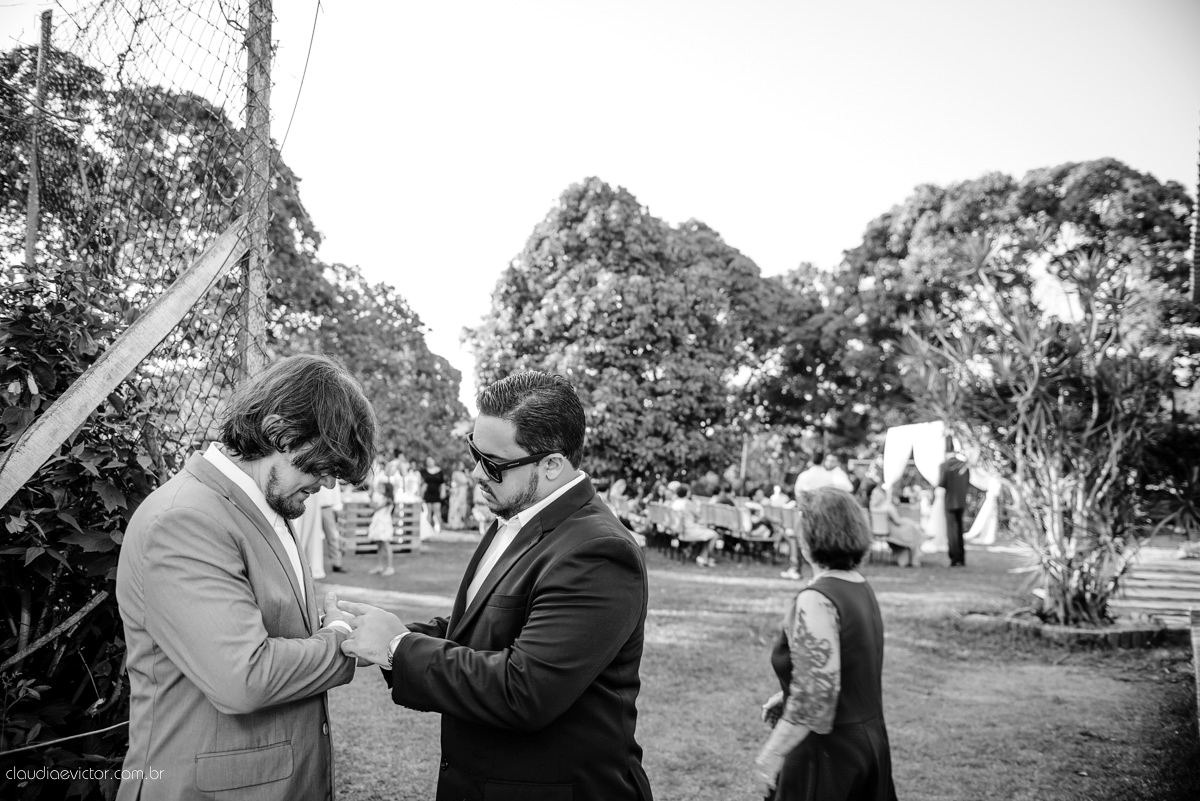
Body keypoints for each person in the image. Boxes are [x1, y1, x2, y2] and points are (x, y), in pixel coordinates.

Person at [339, 371, 654, 801]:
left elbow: (525, 691)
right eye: (474, 452)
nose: (475, 473)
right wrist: (383, 633)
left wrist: (398, 648)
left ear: (551, 464)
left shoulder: (598, 551)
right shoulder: (518, 513)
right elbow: (486, 624)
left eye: (493, 463)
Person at [114, 354, 377, 800]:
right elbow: (244, 679)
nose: (328, 484)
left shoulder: (264, 503)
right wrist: (341, 639)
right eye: (321, 466)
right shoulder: (185, 520)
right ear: (278, 432)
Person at [754, 486, 898, 801]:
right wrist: (790, 690)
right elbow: (846, 662)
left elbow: (816, 698)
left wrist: (771, 754)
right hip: (868, 740)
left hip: (829, 752)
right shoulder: (859, 586)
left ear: (810, 538)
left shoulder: (816, 599)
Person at [869, 484, 925, 567]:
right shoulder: (888, 507)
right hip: (891, 532)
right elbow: (898, 522)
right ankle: (914, 556)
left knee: (910, 526)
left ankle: (909, 556)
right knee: (911, 527)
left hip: (877, 532)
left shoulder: (872, 508)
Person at [671, 483, 720, 567]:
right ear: (687, 493)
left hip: (679, 531)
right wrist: (696, 502)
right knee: (714, 535)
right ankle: (703, 558)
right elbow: (698, 515)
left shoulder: (675, 503)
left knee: (707, 533)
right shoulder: (687, 503)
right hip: (689, 532)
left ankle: (694, 554)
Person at [940, 452, 971, 567]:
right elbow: (968, 482)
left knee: (952, 531)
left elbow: (941, 482)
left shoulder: (945, 465)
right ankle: (961, 557)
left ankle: (954, 557)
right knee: (959, 530)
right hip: (961, 501)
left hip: (950, 501)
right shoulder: (963, 465)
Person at [368, 479, 396, 577]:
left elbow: (376, 507)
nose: (380, 489)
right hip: (378, 523)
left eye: (382, 487)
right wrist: (371, 497)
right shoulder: (381, 498)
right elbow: (372, 506)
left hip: (384, 524)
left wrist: (371, 496)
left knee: (386, 544)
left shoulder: (388, 500)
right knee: (380, 545)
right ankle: (379, 566)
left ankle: (390, 567)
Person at [420, 456, 446, 535]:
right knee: (428, 512)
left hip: (436, 493)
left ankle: (439, 528)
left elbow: (442, 483)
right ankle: (428, 530)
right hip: (427, 493)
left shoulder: (439, 471)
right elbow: (422, 483)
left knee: (437, 511)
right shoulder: (423, 471)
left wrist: (443, 492)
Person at [447, 460, 472, 529]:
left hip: (463, 494)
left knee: (462, 509)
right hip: (457, 493)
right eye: (461, 465)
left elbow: (470, 483)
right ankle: (453, 525)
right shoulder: (455, 473)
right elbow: (463, 482)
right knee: (455, 508)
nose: (463, 466)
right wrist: (467, 475)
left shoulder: (463, 474)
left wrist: (467, 475)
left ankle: (460, 524)